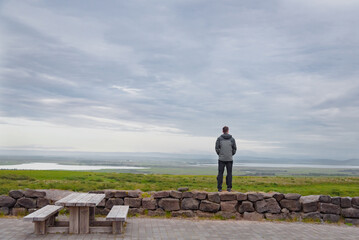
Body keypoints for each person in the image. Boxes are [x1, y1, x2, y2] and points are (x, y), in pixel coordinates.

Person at [215, 126, 237, 192]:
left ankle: (219, 188)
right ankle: (229, 188)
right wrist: (230, 154)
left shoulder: (219, 139)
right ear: (228, 131)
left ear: (222, 131)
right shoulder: (232, 139)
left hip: (221, 159)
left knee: (220, 173)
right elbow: (234, 149)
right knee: (229, 173)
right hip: (229, 159)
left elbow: (216, 148)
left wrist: (220, 154)